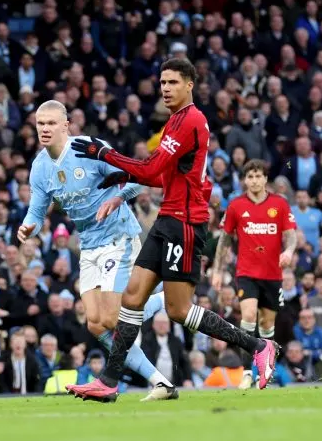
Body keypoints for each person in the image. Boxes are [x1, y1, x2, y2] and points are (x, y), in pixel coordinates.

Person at [68, 58, 278, 401]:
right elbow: (168, 173)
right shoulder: (177, 121)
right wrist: (125, 173)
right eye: (163, 83)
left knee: (178, 310)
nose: (165, 88)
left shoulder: (189, 120)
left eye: (173, 82)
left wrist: (105, 154)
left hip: (185, 224)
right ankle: (108, 381)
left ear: (189, 85)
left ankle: (259, 346)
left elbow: (151, 171)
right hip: (168, 218)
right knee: (132, 297)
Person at [17, 100, 176, 401]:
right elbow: (36, 212)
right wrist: (27, 228)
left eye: (51, 123)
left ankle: (163, 300)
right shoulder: (40, 167)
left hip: (119, 236)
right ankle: (161, 382)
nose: (45, 129)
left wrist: (117, 199)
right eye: (40, 124)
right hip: (89, 246)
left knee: (114, 317)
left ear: (66, 126)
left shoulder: (89, 149)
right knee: (96, 323)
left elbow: (139, 178)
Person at [212, 159, 297, 389]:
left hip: (273, 274)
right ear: (245, 180)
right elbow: (225, 240)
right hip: (246, 273)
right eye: (250, 176)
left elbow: (290, 235)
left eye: (258, 176)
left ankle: (263, 373)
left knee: (267, 323)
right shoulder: (236, 205)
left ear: (265, 179)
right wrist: (218, 270)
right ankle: (247, 372)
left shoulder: (279, 204)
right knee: (248, 316)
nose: (255, 180)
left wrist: (289, 251)